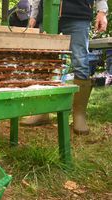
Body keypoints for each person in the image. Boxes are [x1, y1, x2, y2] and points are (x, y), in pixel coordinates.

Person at [21, 0, 108, 135]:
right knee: (45, 62)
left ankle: (79, 115)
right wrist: (34, 15)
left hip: (78, 14)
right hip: (48, 14)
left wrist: (102, 12)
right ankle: (43, 111)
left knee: (80, 61)